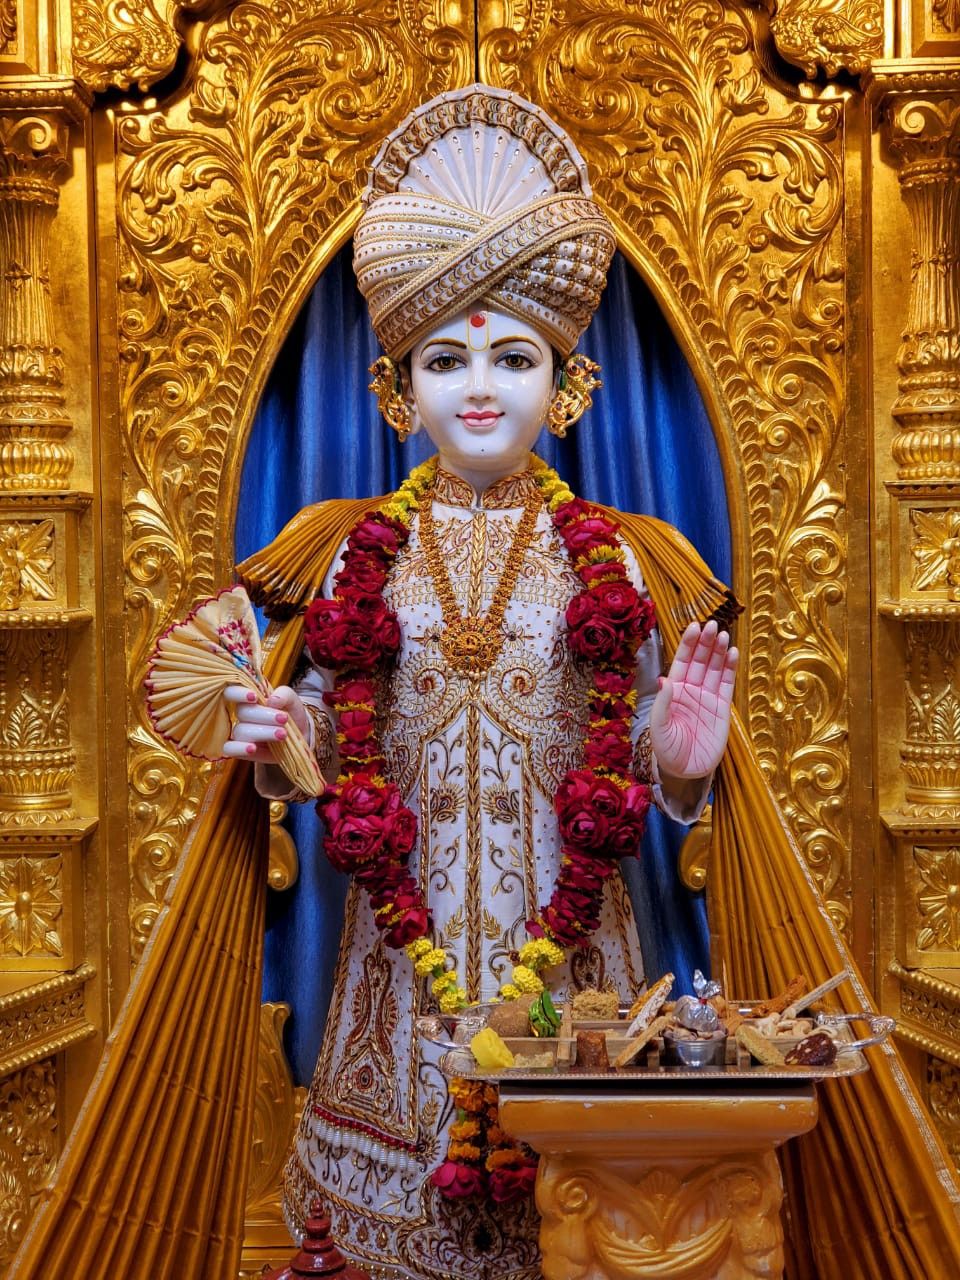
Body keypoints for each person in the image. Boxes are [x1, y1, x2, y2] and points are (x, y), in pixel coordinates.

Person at [223, 85, 737, 1279]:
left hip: (570, 946)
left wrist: (677, 758)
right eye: (445, 358)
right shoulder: (358, 549)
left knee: (585, 1232)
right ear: (402, 388)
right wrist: (275, 732)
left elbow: (649, 730)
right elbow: (333, 749)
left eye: (515, 356)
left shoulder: (614, 552)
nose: (480, 385)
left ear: (566, 384)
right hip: (396, 972)